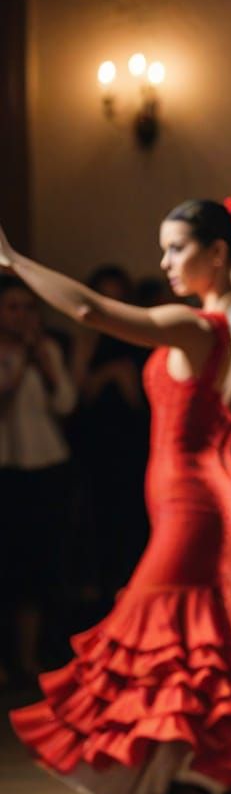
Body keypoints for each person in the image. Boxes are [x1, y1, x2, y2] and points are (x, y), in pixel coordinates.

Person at [2, 195, 231, 794]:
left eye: (177, 248)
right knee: (214, 643)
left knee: (158, 639)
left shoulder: (197, 328)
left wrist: (12, 260)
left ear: (217, 254)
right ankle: (222, 774)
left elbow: (89, 308)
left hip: (195, 505)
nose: (165, 261)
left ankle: (173, 778)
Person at [0, 275, 77, 687]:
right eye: (12, 307)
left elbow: (65, 402)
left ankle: (29, 660)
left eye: (28, 308)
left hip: (44, 463)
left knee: (37, 562)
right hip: (4, 466)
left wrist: (43, 364)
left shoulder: (46, 349)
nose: (21, 316)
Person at [70, 265, 150, 613]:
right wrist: (106, 374)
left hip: (133, 447)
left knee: (133, 526)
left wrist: (116, 377)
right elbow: (75, 395)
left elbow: (140, 402)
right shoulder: (86, 340)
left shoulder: (140, 342)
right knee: (97, 529)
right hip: (94, 446)